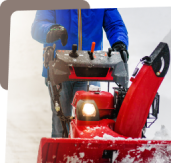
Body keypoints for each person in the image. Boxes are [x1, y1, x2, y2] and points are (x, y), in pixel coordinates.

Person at [31, 9, 129, 137]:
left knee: (89, 123)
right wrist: (51, 29)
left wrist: (119, 43)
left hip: (92, 69)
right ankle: (60, 154)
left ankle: (86, 154)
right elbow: (38, 25)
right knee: (61, 125)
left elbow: (114, 24)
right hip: (59, 68)